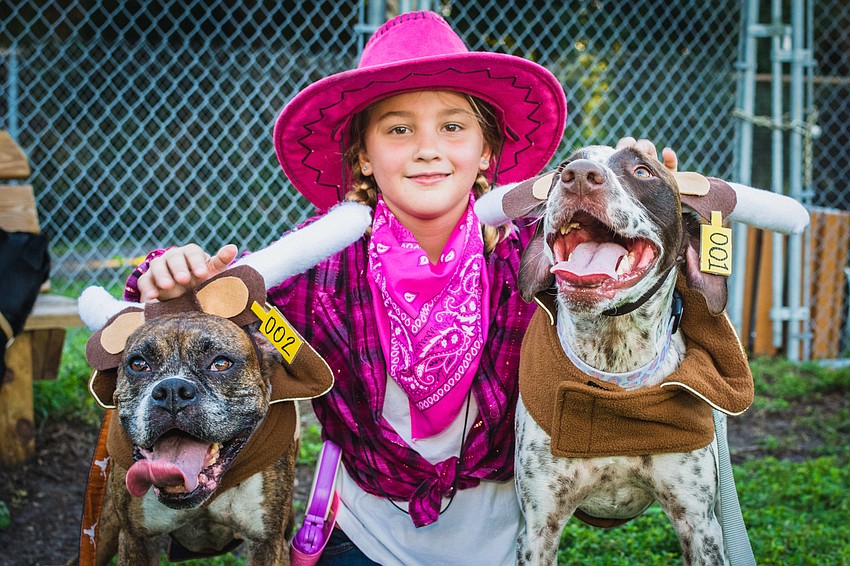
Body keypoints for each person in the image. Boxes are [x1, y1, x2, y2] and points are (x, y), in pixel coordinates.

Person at [127, 10, 675, 565]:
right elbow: (233, 298)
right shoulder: (322, 262)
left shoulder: (535, 254)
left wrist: (642, 202)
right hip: (365, 531)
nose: (427, 148)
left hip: (508, 534)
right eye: (398, 128)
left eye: (453, 126)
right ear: (363, 154)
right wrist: (166, 271)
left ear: (487, 150)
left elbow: (633, 284)